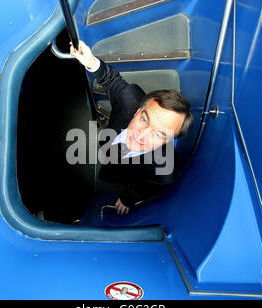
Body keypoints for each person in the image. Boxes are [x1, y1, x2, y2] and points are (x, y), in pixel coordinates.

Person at [70, 41, 193, 215]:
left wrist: (128, 198)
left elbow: (147, 186)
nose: (140, 136)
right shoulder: (129, 98)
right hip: (109, 142)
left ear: (169, 140)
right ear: (137, 111)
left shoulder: (163, 169)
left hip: (125, 173)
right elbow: (111, 80)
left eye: (158, 134)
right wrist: (91, 61)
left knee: (110, 174)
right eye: (144, 119)